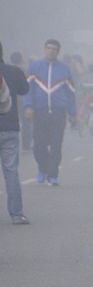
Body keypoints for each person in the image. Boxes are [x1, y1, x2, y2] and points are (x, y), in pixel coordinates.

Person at [24, 39, 76, 186]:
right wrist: (28, 106)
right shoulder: (35, 67)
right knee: (39, 145)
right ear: (44, 49)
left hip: (59, 112)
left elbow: (71, 93)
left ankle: (53, 175)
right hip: (40, 111)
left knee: (56, 144)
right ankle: (42, 168)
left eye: (54, 49)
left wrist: (72, 113)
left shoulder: (65, 70)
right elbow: (28, 89)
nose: (51, 51)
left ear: (58, 51)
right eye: (48, 48)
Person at [0, 42, 31, 224]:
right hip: (10, 127)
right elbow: (24, 90)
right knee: (11, 172)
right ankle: (17, 214)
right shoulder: (14, 71)